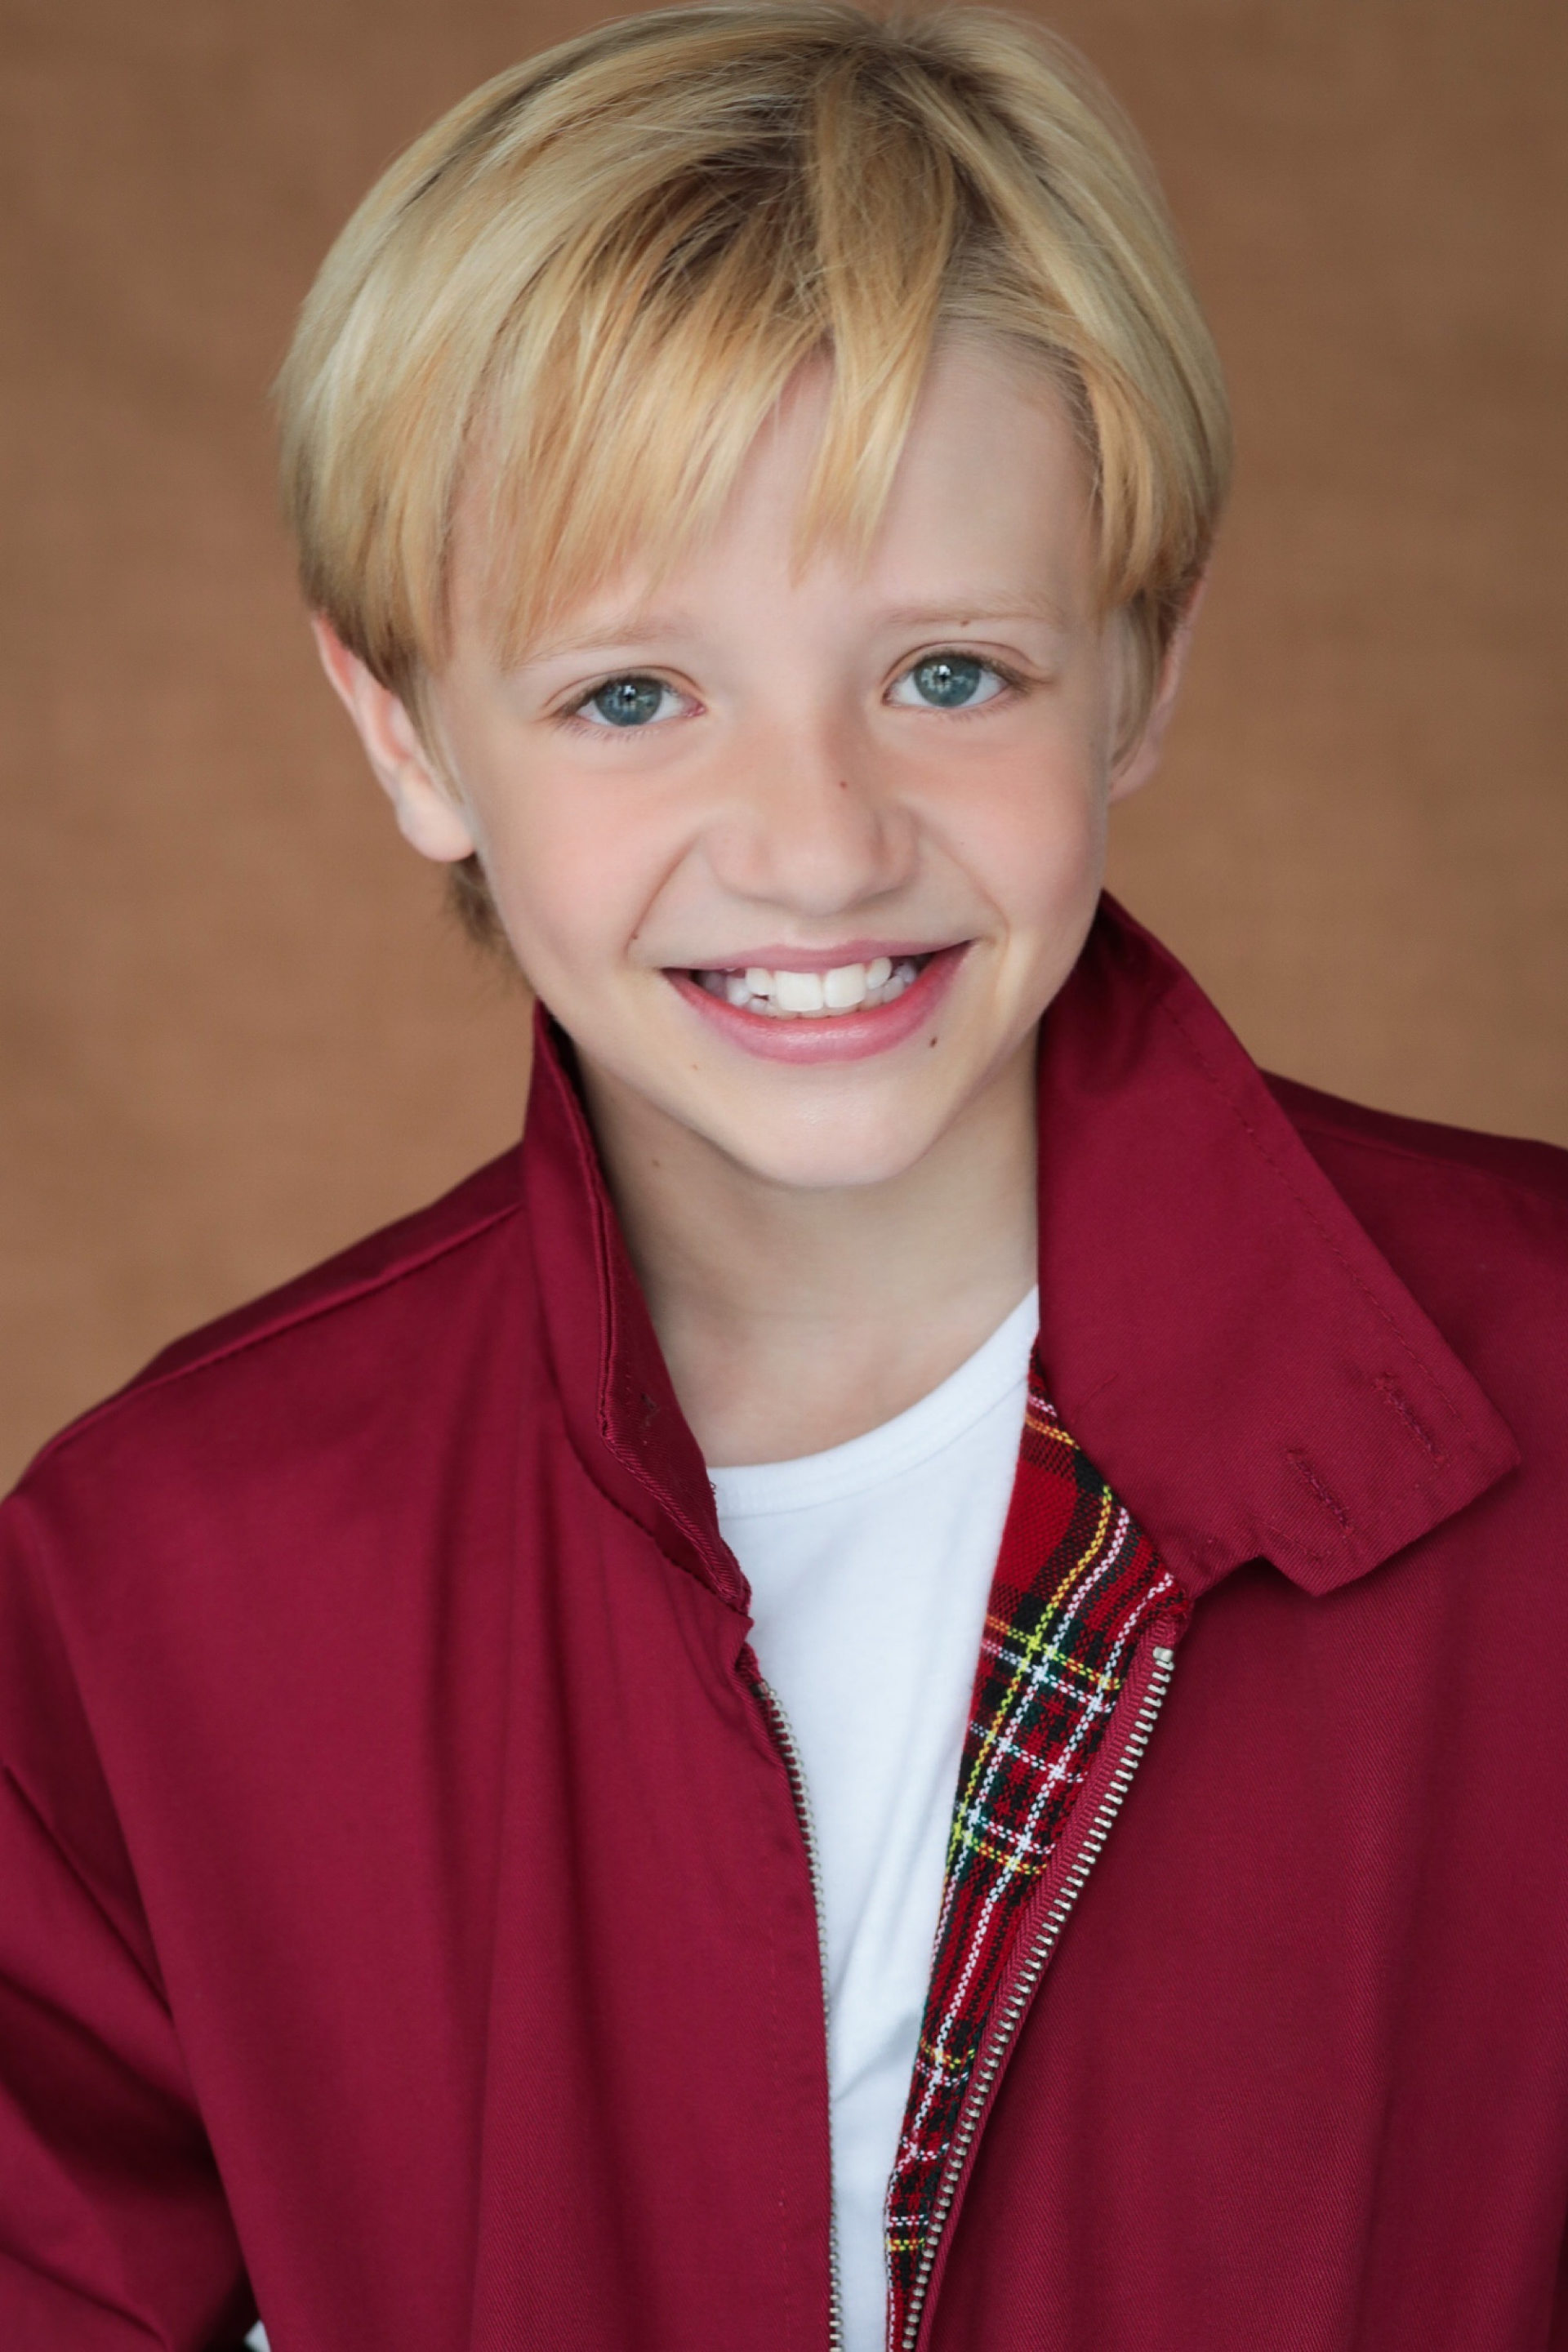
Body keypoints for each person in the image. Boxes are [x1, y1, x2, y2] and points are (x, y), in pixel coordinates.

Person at [2, 5, 1565, 2346]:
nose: (819, 848)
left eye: (949, 674)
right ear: (405, 735)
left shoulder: (1542, 1396)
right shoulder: (157, 1584)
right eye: (632, 696)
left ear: (1139, 668)